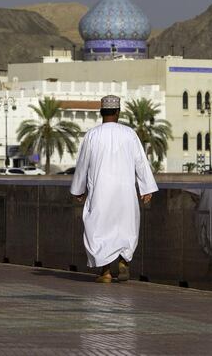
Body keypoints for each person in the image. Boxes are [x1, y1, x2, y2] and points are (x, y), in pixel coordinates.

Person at [70, 95, 158, 283]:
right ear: (118, 112)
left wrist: (79, 189)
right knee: (124, 227)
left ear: (101, 112)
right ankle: (124, 261)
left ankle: (106, 272)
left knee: (99, 230)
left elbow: (83, 164)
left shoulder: (92, 135)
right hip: (125, 191)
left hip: (101, 192)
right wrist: (146, 188)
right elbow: (140, 162)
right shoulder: (129, 134)